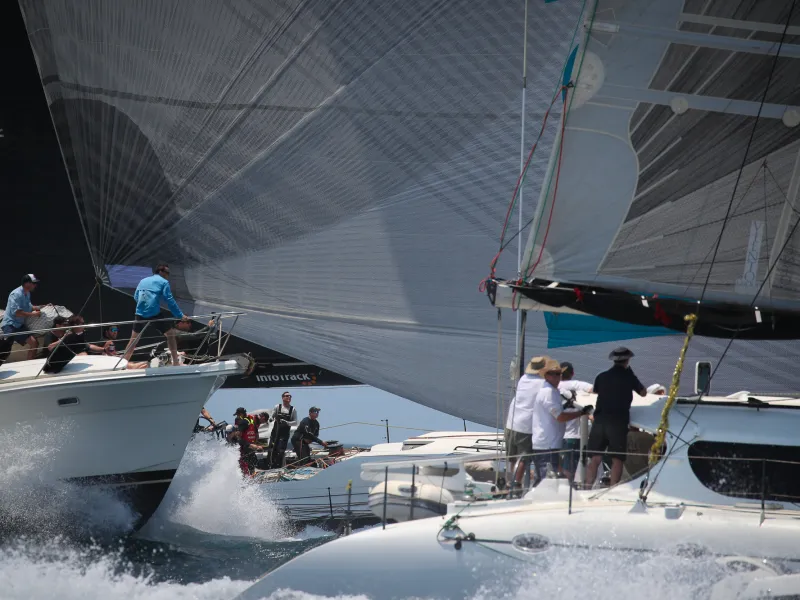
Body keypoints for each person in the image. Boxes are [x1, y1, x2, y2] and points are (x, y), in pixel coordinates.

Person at [585, 347, 647, 488]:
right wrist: (632, 375)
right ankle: (612, 489)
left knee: (594, 458)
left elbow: (595, 391)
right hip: (618, 422)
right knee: (617, 459)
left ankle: (587, 487)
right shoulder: (629, 377)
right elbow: (643, 393)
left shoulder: (601, 376)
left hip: (600, 420)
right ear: (628, 360)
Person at [529, 359, 588, 484]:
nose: (557, 377)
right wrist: (582, 412)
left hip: (549, 444)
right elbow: (560, 417)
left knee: (545, 479)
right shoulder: (548, 392)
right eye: (553, 374)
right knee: (549, 481)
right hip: (547, 445)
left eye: (559, 374)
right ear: (546, 375)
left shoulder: (553, 390)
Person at [123, 263, 189, 366]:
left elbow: (136, 296)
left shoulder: (143, 280)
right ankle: (176, 363)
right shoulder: (164, 282)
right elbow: (170, 301)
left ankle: (123, 364)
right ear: (161, 272)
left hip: (139, 313)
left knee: (133, 340)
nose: (168, 275)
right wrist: (180, 315)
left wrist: (144, 306)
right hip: (153, 313)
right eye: (167, 273)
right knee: (170, 334)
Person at [504, 356, 548, 491]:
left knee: (513, 456)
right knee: (524, 457)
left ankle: (511, 482)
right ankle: (516, 483)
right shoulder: (543, 384)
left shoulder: (523, 379)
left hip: (511, 422)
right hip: (526, 425)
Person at [557, 362, 594, 479]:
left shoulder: (554, 387)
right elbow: (594, 389)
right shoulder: (577, 385)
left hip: (560, 436)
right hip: (577, 436)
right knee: (575, 471)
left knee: (562, 470)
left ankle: (564, 492)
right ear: (572, 373)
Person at [1, 274, 48, 360]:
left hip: (19, 325)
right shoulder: (15, 294)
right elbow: (16, 313)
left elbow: (29, 307)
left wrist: (43, 306)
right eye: (33, 283)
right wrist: (33, 314)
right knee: (5, 348)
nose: (35, 285)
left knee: (34, 343)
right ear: (27, 284)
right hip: (10, 325)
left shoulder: (27, 293)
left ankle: (29, 365)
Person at [231, 406, 264, 476]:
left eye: (238, 415)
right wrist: (255, 445)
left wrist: (233, 434)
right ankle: (253, 475)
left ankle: (247, 478)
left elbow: (238, 436)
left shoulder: (243, 422)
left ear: (241, 414)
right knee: (252, 465)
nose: (237, 417)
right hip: (251, 447)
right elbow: (257, 435)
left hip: (245, 447)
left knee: (244, 465)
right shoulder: (252, 420)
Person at [269, 392, 298, 468]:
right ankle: (271, 466)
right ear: (282, 398)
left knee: (281, 451)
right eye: (287, 396)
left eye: (290, 396)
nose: (289, 397)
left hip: (284, 434)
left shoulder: (293, 409)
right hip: (275, 433)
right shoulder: (277, 407)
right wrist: (271, 419)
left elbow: (295, 422)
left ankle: (279, 467)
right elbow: (272, 416)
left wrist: (287, 422)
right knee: (272, 450)